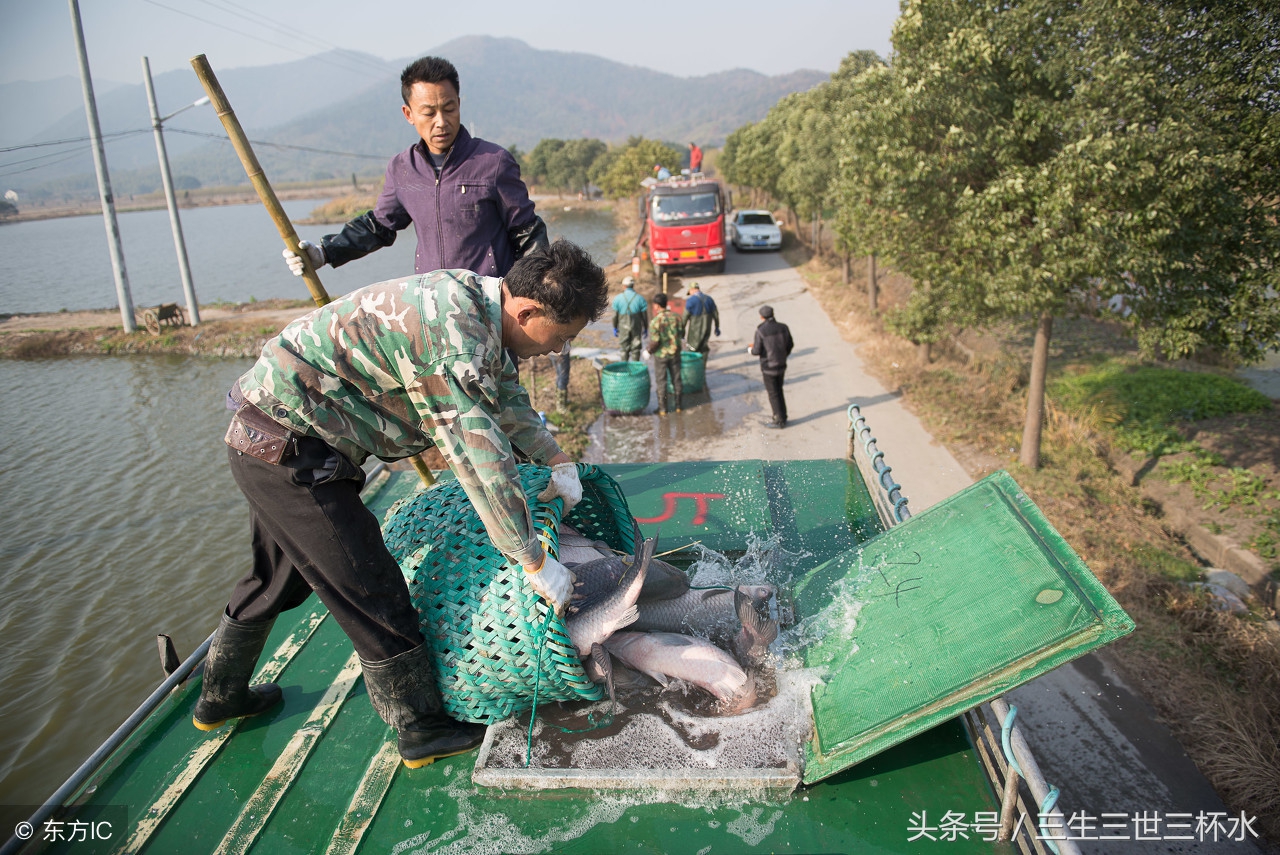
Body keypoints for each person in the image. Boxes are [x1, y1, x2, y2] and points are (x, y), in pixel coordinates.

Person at [198, 240, 609, 770]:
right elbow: (480, 465)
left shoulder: (475, 300)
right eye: (563, 336)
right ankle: (421, 728)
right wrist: (532, 560)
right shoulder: (453, 344)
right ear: (528, 311)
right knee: (371, 584)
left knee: (277, 578)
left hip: (273, 437)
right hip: (290, 450)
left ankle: (220, 697)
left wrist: (556, 459)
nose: (558, 350)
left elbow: (505, 397)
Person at [283, 56, 548, 279]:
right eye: (429, 113)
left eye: (449, 109)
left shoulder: (493, 161)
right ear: (408, 114)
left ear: (459, 104)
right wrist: (324, 253)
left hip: (490, 305)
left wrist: (534, 298)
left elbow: (528, 233)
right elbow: (379, 227)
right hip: (431, 306)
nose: (441, 121)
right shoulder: (402, 169)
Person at [746, 304, 794, 429]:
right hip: (781, 364)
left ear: (761, 317)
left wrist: (749, 349)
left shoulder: (761, 331)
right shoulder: (783, 327)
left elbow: (757, 350)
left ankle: (778, 420)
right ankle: (783, 415)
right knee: (779, 390)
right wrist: (783, 355)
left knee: (773, 393)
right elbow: (790, 345)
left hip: (768, 367)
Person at [647, 292, 685, 414]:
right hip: (675, 353)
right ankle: (679, 406)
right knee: (676, 379)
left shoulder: (655, 321)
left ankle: (663, 409)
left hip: (661, 356)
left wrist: (648, 351)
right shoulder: (677, 317)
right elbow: (682, 334)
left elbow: (655, 341)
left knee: (661, 382)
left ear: (657, 306)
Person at [611, 276, 649, 361]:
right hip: (636, 326)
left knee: (624, 349)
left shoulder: (618, 298)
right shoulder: (640, 298)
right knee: (636, 348)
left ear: (624, 286)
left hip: (623, 326)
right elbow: (644, 316)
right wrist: (646, 328)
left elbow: (615, 316)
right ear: (633, 286)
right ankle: (635, 366)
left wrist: (615, 327)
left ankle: (624, 366)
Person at [682, 283, 719, 357]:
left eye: (690, 292)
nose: (690, 294)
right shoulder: (709, 299)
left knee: (692, 348)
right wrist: (717, 327)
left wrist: (682, 331)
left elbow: (684, 318)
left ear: (692, 290)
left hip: (695, 330)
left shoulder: (690, 301)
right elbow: (716, 314)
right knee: (704, 347)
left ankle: (694, 363)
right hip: (707, 328)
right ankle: (703, 363)